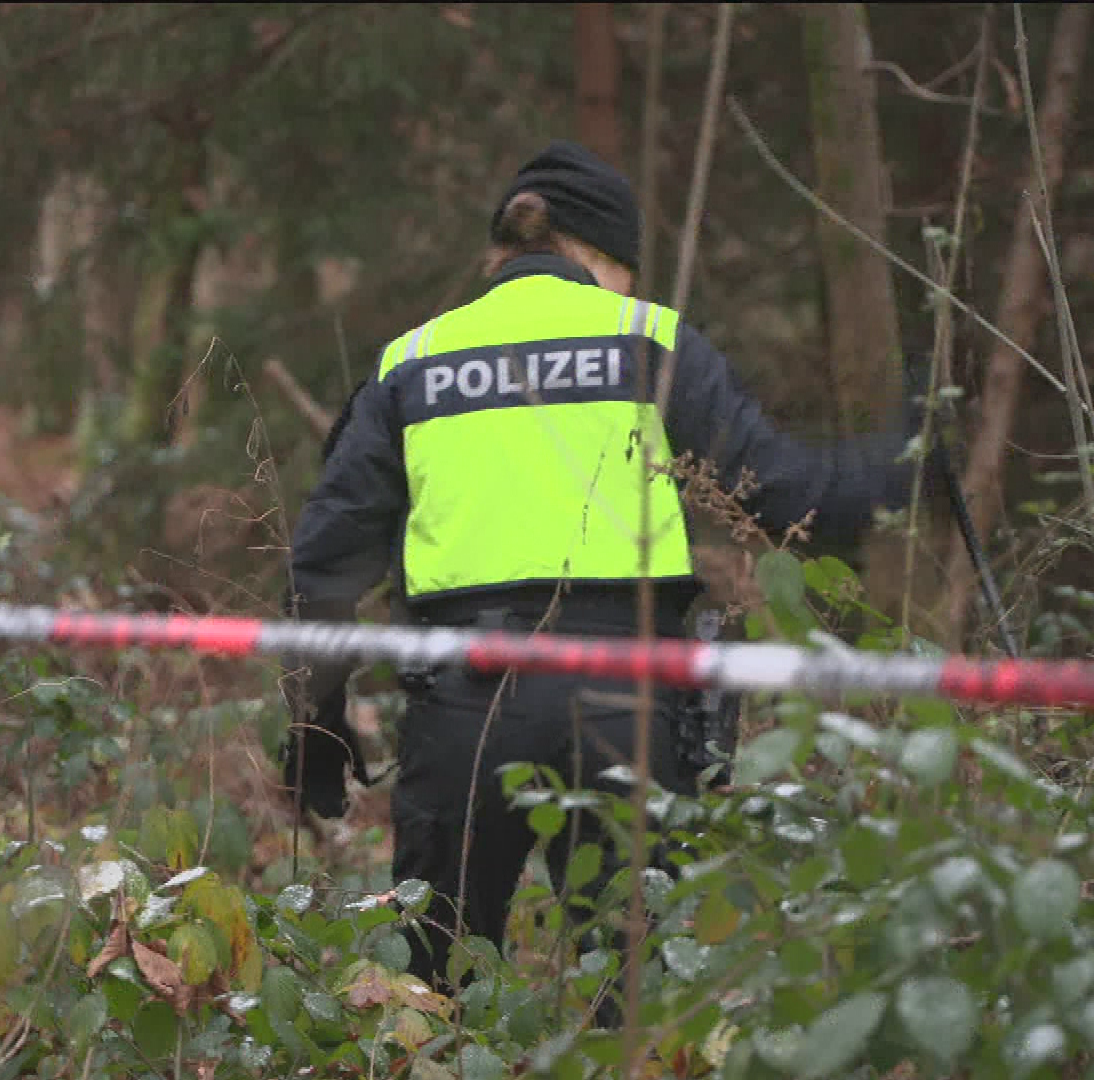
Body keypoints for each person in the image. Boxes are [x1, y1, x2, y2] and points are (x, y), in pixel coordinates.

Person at [278, 140, 925, 1024]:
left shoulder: (412, 362)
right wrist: (911, 458)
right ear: (599, 253)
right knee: (636, 1005)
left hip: (463, 711)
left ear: (501, 253)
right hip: (628, 706)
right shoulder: (650, 341)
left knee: (429, 1000)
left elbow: (321, 568)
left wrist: (316, 726)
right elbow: (791, 498)